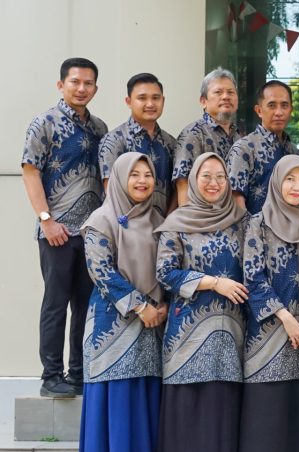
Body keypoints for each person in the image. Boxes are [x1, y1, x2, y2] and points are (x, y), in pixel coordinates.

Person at [22, 57, 110, 397]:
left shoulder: (99, 128)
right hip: (56, 232)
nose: (81, 88)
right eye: (75, 82)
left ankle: (78, 373)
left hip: (90, 234)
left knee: (85, 305)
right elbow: (30, 171)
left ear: (95, 88)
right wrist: (46, 220)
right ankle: (51, 376)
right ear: (61, 85)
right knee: (56, 304)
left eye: (88, 83)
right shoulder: (44, 123)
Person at [154, 152, 249, 452]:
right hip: (187, 337)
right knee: (188, 416)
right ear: (194, 180)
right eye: (206, 176)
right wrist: (214, 283)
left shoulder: (242, 222)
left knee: (221, 417)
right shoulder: (177, 222)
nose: (213, 183)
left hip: (231, 337)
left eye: (221, 177)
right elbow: (165, 273)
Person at [79, 153, 166, 452]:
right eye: (134, 175)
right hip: (112, 328)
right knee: (117, 405)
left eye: (148, 175)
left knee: (143, 403)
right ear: (118, 178)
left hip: (152, 327)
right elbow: (101, 272)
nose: (142, 181)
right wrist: (141, 307)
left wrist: (164, 304)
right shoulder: (101, 220)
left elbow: (168, 267)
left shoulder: (158, 221)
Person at [240, 155, 299, 452]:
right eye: (290, 179)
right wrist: (287, 319)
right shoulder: (259, 222)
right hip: (269, 333)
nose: (296, 186)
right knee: (268, 420)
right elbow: (253, 277)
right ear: (277, 181)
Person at [98, 72, 178, 216]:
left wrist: (168, 223)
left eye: (156, 98)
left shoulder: (171, 142)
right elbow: (112, 193)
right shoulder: (114, 140)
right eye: (142, 98)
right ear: (128, 101)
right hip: (125, 224)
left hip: (164, 225)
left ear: (163, 100)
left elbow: (176, 188)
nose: (150, 104)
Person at [173, 67, 242, 207]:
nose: (226, 97)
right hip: (203, 216)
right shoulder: (193, 134)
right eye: (218, 92)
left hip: (234, 215)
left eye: (231, 92)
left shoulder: (239, 137)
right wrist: (187, 218)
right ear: (203, 101)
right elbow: (182, 183)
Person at [228, 80, 297, 214]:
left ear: (291, 110)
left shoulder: (293, 150)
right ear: (259, 110)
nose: (279, 112)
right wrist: (252, 227)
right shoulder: (244, 149)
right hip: (255, 226)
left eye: (284, 105)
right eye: (272, 105)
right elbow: (235, 199)